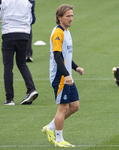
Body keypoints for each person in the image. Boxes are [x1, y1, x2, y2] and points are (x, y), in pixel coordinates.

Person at [41, 4, 84, 147]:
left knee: (75, 106)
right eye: (68, 16)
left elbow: (65, 56)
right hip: (60, 76)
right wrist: (66, 74)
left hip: (67, 74)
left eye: (72, 16)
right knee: (63, 108)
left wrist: (76, 67)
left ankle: (50, 127)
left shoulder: (66, 31)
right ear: (59, 18)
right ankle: (59, 140)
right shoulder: (58, 33)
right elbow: (57, 56)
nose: (71, 19)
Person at [0, 0, 38, 105]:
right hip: (24, 35)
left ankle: (9, 99)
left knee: (8, 66)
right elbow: (32, 20)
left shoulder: (1, 1)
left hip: (8, 35)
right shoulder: (29, 1)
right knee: (22, 63)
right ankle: (31, 89)